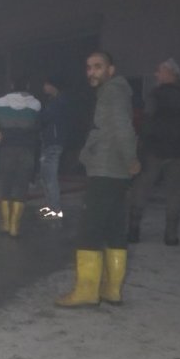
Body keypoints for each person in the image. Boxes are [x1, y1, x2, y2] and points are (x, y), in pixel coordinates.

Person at [57, 52, 139, 308]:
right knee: (114, 229)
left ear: (110, 70)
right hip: (115, 172)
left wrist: (131, 159)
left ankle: (86, 292)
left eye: (98, 67)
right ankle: (112, 290)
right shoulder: (118, 91)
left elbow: (123, 128)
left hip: (105, 169)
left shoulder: (112, 93)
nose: (91, 72)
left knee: (90, 230)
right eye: (89, 67)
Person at [128, 58, 180, 246]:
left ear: (169, 73)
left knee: (142, 187)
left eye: (159, 71)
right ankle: (171, 235)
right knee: (175, 192)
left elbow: (148, 120)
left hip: (156, 148)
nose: (156, 74)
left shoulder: (156, 95)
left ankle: (133, 230)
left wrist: (140, 146)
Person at [0, 78, 41, 238]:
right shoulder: (35, 104)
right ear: (27, 86)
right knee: (22, 187)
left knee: (5, 185)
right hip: (27, 149)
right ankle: (15, 227)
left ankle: (5, 224)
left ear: (11, 87)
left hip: (7, 148)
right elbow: (40, 122)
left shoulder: (1, 102)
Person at [38, 78, 69, 220]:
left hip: (53, 143)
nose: (44, 87)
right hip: (49, 142)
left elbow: (45, 117)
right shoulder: (54, 101)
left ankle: (55, 209)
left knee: (50, 177)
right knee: (46, 177)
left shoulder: (58, 102)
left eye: (46, 84)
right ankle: (51, 207)